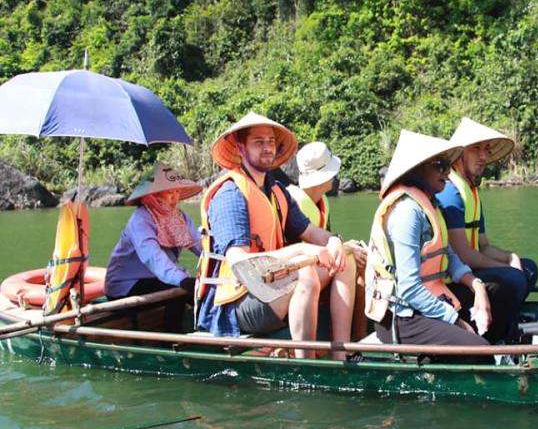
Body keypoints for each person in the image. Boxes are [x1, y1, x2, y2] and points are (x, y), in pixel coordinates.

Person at [196, 113, 354, 359]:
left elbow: (311, 232)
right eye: (258, 142)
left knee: (344, 259)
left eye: (270, 141)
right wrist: (302, 251)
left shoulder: (275, 190)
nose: (268, 148)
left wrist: (333, 241)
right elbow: (240, 262)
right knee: (305, 275)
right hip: (235, 302)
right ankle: (306, 365)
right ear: (240, 147)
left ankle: (343, 354)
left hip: (271, 284)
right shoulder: (230, 194)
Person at [366, 130, 518, 364]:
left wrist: (476, 285)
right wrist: (455, 321)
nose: (447, 173)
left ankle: (492, 344)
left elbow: (448, 254)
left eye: (447, 166)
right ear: (418, 169)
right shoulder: (408, 212)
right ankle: (481, 355)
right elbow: (408, 289)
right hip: (403, 318)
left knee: (500, 289)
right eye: (440, 165)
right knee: (479, 352)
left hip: (430, 303)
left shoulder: (430, 204)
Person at [437, 117, 538, 339]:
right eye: (476, 149)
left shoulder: (471, 191)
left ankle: (506, 321)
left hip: (471, 269)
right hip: (454, 283)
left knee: (528, 267)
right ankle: (493, 336)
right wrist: (509, 271)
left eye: (486, 150)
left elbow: (483, 245)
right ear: (460, 153)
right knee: (513, 278)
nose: (483, 157)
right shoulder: (450, 192)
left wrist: (510, 258)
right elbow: (463, 254)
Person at [104, 162, 203, 331]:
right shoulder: (140, 219)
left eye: (177, 191)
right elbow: (152, 257)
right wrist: (182, 279)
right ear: (154, 195)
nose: (175, 197)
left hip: (158, 279)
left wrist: (223, 264)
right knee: (178, 291)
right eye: (169, 192)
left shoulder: (181, 217)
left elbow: (202, 246)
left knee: (203, 290)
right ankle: (171, 343)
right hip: (126, 285)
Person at [287, 141, 368, 341]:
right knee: (348, 261)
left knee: (360, 259)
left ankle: (359, 338)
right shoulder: (294, 202)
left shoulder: (323, 202)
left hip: (321, 265)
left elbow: (328, 239)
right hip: (300, 271)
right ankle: (347, 342)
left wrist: (349, 247)